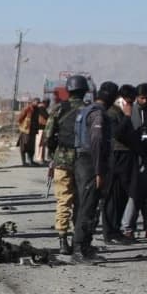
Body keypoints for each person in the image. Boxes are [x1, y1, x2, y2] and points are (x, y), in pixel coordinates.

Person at [44, 75, 87, 255]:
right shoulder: (89, 110)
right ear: (84, 91)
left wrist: (55, 152)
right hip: (83, 161)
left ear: (68, 90)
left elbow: (48, 135)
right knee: (81, 201)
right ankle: (78, 241)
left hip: (62, 161)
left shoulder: (59, 109)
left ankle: (62, 240)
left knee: (63, 200)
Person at [72, 81, 115, 264]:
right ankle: (79, 249)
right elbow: (97, 140)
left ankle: (86, 246)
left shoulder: (85, 110)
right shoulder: (98, 114)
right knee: (87, 207)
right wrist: (99, 170)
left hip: (81, 160)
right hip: (91, 162)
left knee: (86, 204)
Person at [121, 83, 147, 240]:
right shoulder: (130, 112)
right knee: (134, 195)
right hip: (136, 160)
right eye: (141, 98)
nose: (144, 101)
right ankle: (128, 228)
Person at [100, 84, 140, 244]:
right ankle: (109, 232)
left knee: (123, 195)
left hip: (126, 158)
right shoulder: (112, 113)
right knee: (111, 197)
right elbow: (117, 134)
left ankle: (116, 230)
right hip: (116, 157)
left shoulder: (123, 112)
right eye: (128, 102)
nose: (130, 105)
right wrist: (128, 116)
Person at [17, 99, 36, 166]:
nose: (37, 103)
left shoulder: (36, 109)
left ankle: (31, 161)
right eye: (36, 102)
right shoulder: (27, 108)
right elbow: (20, 118)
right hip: (25, 130)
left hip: (32, 131)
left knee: (31, 147)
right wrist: (23, 125)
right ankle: (24, 162)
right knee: (24, 146)